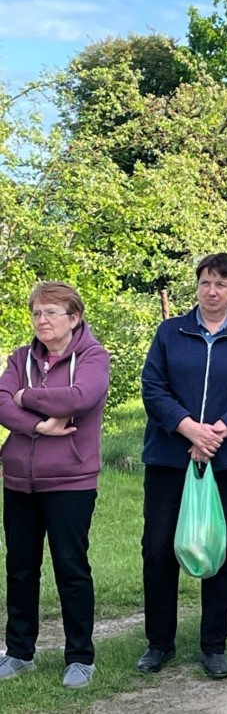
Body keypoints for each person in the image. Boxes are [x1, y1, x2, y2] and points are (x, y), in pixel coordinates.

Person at [137, 253, 227, 680]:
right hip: (169, 458)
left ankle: (214, 645)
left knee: (223, 552)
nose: (212, 292)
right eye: (205, 283)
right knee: (158, 549)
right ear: (196, 286)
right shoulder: (170, 332)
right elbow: (153, 388)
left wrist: (217, 432)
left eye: (221, 284)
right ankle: (159, 643)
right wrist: (189, 429)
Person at [0, 282, 110, 689]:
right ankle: (19, 652)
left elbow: (80, 398)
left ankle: (80, 658)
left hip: (71, 481)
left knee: (71, 568)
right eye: (36, 313)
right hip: (19, 480)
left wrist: (26, 396)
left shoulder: (94, 357)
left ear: (74, 317)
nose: (41, 320)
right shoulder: (19, 357)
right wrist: (39, 426)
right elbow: (0, 402)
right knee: (20, 568)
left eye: (50, 312)